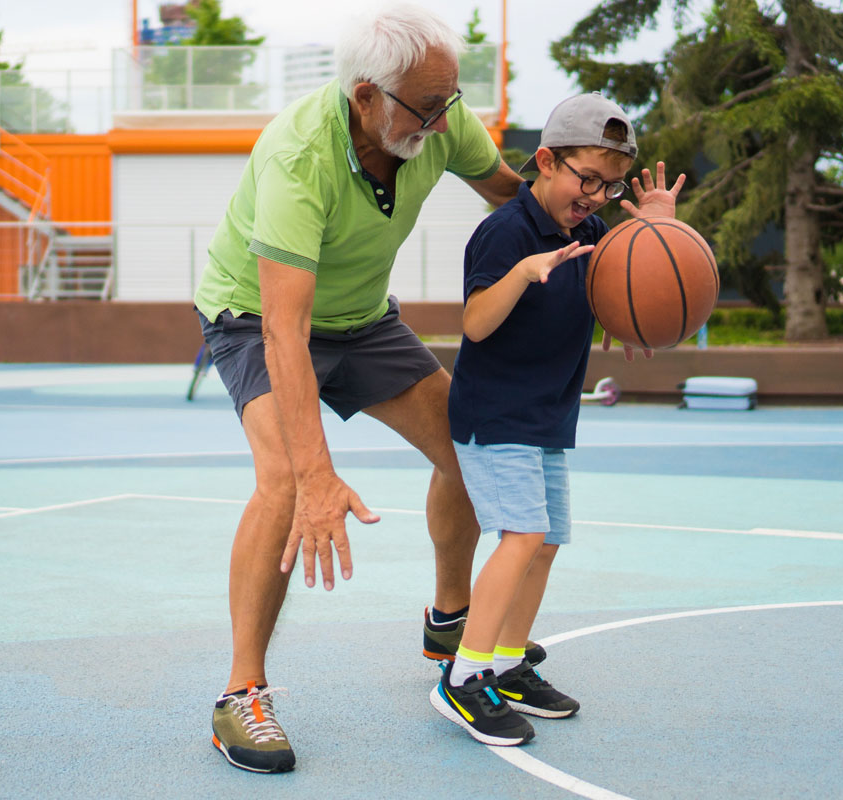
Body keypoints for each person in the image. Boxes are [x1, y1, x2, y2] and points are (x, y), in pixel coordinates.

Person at [194, 3, 525, 773]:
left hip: (364, 320)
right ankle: (240, 694)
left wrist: (596, 227)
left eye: (451, 101)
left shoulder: (442, 123)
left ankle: (450, 623)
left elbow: (513, 197)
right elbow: (285, 330)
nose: (445, 121)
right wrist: (316, 473)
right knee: (281, 484)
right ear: (365, 97)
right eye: (428, 105)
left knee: (471, 449)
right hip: (255, 317)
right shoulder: (297, 157)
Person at [430, 93, 684, 745]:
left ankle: (509, 663)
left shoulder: (593, 234)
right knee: (520, 536)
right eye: (587, 179)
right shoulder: (506, 233)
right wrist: (523, 272)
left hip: (546, 415)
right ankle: (464, 678)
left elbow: (619, 284)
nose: (597, 195)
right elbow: (475, 323)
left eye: (611, 184)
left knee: (544, 542)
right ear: (546, 160)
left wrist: (653, 234)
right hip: (495, 414)